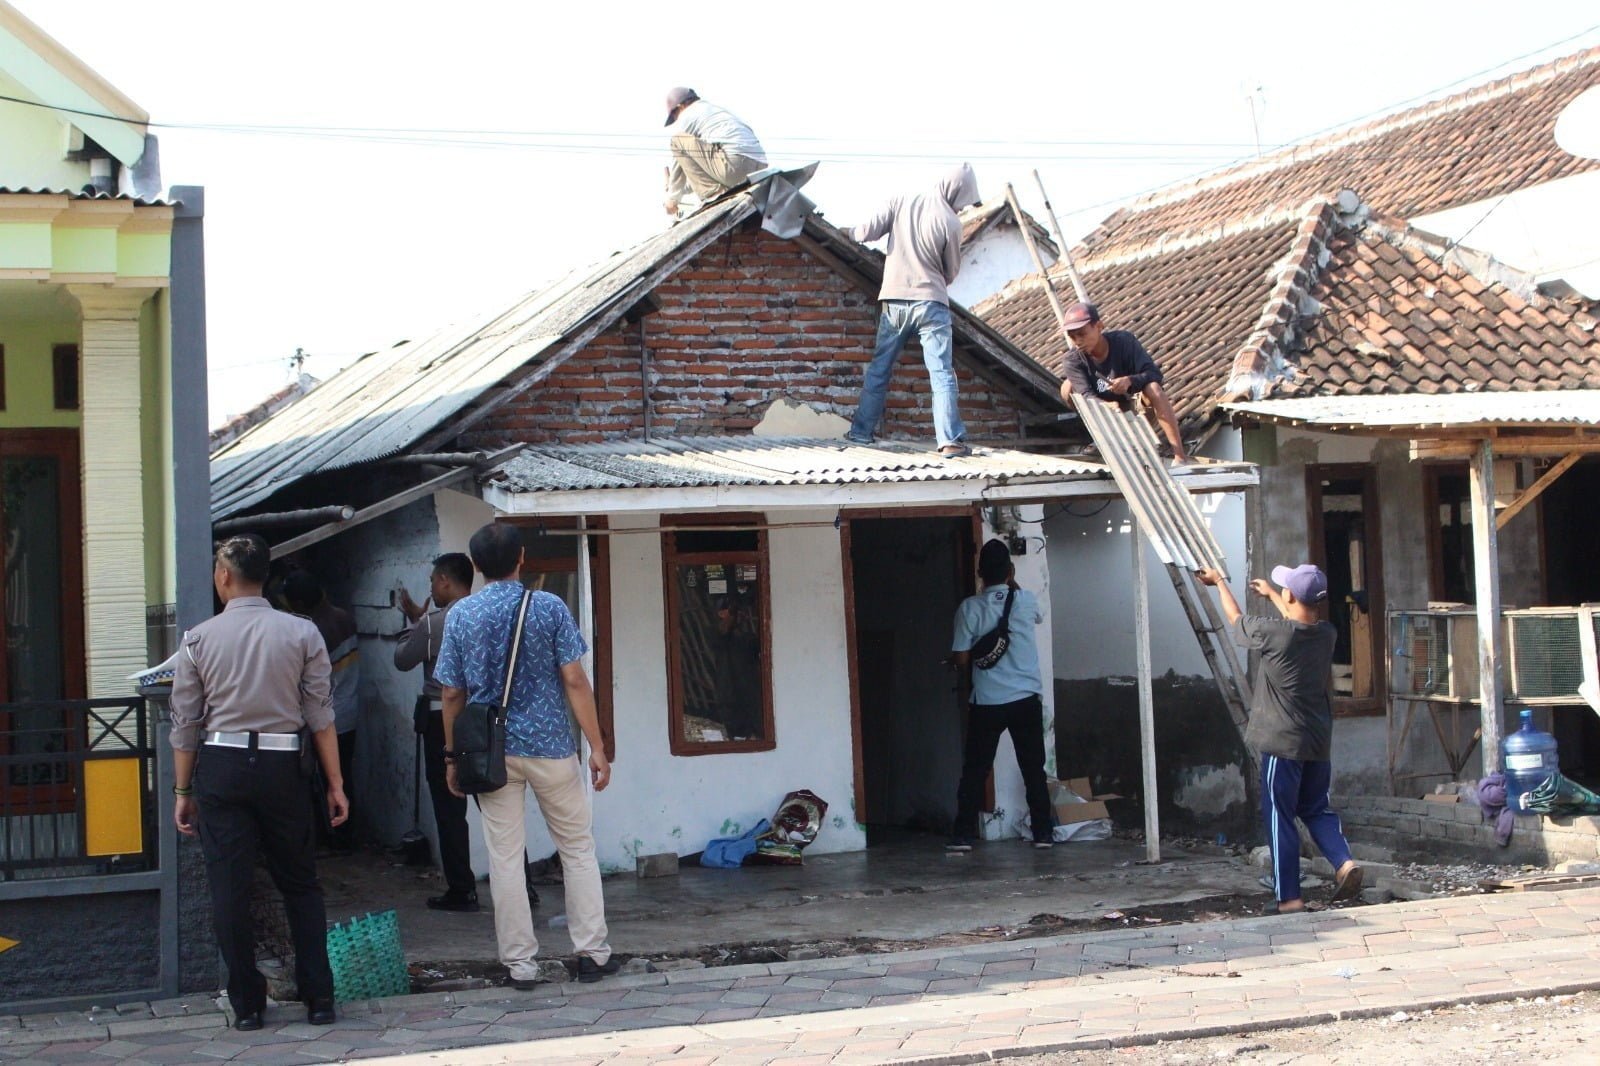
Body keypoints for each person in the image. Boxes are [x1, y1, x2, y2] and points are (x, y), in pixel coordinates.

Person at [169, 535, 346, 1031]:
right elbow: (320, 714)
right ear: (265, 576)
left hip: (221, 767)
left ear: (223, 576)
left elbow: (185, 725)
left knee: (230, 887)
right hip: (283, 767)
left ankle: (247, 1004)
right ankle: (319, 1000)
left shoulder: (198, 639)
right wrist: (335, 783)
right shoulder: (302, 633)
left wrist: (184, 793)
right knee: (300, 884)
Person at [435, 523, 620, 987]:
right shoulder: (549, 607)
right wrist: (597, 746)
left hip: (490, 755)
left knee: (504, 857)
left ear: (475, 566)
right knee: (577, 849)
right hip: (553, 747)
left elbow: (452, 693)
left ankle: (521, 965)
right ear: (522, 558)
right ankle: (592, 955)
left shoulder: (461, 615)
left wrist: (452, 757)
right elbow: (575, 681)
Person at [1196, 563, 1364, 913]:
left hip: (1282, 743)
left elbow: (1237, 620)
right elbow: (1298, 618)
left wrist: (1220, 583)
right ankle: (1343, 862)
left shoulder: (1274, 634)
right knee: (1317, 809)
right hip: (1318, 741)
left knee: (1280, 816)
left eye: (1284, 589)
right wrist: (1274, 594)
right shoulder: (1328, 634)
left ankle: (1289, 898)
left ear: (1290, 595)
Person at [845, 164, 981, 457]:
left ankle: (860, 432)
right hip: (932, 303)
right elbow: (951, 272)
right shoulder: (952, 223)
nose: (962, 206)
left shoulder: (901, 200)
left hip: (894, 300)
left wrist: (846, 231)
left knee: (880, 367)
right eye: (964, 200)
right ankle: (949, 442)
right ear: (957, 192)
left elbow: (866, 231)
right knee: (941, 373)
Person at [947, 539, 1054, 851]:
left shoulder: (969, 608)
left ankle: (963, 835)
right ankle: (1043, 833)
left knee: (976, 770)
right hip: (1026, 700)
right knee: (1033, 768)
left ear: (979, 573)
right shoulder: (1026, 600)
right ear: (1010, 570)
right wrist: (1011, 581)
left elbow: (963, 659)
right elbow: (1034, 616)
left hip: (988, 702)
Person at [395, 552, 482, 911]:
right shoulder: (485, 616)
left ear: (445, 580)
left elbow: (402, 659)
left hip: (440, 718)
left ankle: (462, 889)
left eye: (433, 580)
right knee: (496, 806)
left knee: (449, 810)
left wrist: (415, 621)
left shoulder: (436, 622)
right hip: (484, 720)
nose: (431, 587)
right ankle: (524, 887)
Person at [1057, 302, 1191, 464]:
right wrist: (1106, 406)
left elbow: (1154, 374)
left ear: (1099, 326)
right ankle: (1101, 438)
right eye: (1072, 337)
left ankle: (1179, 455)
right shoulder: (1072, 360)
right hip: (1103, 415)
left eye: (1082, 334)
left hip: (1136, 410)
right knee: (1067, 387)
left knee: (1154, 388)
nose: (1077, 341)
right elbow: (1086, 396)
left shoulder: (1124, 342)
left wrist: (1129, 381)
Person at [284, 570, 360, 849]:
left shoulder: (313, 631)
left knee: (315, 780)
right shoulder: (343, 617)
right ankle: (345, 837)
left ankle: (328, 837)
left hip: (325, 717)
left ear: (300, 604)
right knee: (343, 777)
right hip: (349, 711)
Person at [662, 87, 767, 217]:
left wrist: (672, 198)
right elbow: (701, 172)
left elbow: (678, 163)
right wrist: (681, 190)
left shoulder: (688, 114)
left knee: (677, 141)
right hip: (759, 169)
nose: (676, 119)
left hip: (735, 164)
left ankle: (713, 195)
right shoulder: (714, 111)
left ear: (681, 106)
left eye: (674, 114)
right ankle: (716, 192)